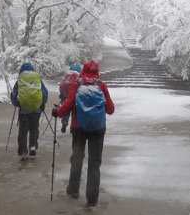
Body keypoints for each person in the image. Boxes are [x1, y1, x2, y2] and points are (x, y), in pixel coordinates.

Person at [52, 60, 114, 206]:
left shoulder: (78, 84)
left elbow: (68, 104)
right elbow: (110, 109)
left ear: (83, 70)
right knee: (94, 163)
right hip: (98, 129)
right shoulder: (101, 85)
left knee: (77, 158)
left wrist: (58, 113)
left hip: (78, 127)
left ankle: (73, 190)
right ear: (97, 71)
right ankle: (92, 199)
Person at [10, 62, 49, 160]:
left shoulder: (20, 80)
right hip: (36, 110)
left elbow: (14, 94)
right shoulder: (37, 79)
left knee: (23, 131)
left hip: (24, 110)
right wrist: (42, 103)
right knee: (34, 128)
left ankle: (23, 151)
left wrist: (16, 103)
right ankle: (32, 146)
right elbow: (44, 92)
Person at [57, 63, 82, 133]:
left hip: (65, 97)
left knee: (66, 111)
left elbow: (61, 85)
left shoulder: (67, 77)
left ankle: (64, 123)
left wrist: (62, 94)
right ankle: (72, 127)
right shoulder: (79, 78)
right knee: (74, 113)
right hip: (75, 98)